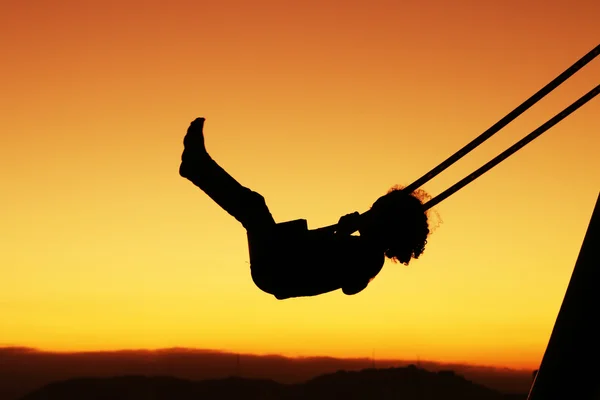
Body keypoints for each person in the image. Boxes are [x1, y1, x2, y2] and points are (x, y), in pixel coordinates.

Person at [179, 117, 431, 300]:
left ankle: (197, 166)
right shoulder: (365, 251)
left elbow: (351, 286)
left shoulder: (370, 257)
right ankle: (196, 166)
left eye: (376, 212)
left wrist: (344, 235)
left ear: (387, 227)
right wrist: (347, 236)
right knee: (254, 208)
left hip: (279, 268)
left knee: (254, 207)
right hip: (281, 265)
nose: (369, 212)